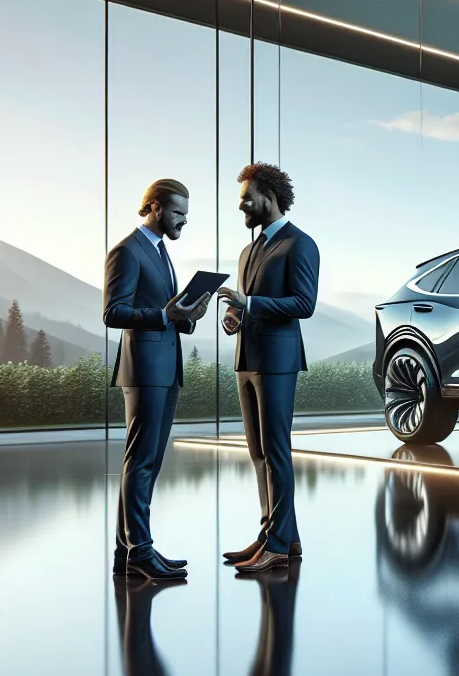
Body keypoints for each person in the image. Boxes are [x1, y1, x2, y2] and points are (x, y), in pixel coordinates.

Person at [104, 178, 209, 581]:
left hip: (164, 368)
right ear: (155, 208)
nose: (183, 221)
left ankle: (129, 554)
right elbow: (114, 312)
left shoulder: (160, 252)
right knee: (141, 462)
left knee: (146, 463)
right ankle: (141, 551)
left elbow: (166, 311)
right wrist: (166, 315)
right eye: (179, 212)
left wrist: (187, 316)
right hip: (145, 369)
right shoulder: (127, 251)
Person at [218, 163, 320, 573]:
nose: (241, 205)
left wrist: (250, 304)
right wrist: (235, 318)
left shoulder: (300, 244)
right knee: (258, 453)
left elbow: (304, 304)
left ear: (269, 198)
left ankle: (276, 543)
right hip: (246, 359)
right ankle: (277, 536)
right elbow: (248, 304)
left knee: (277, 452)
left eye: (247, 197)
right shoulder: (248, 251)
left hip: (277, 361)